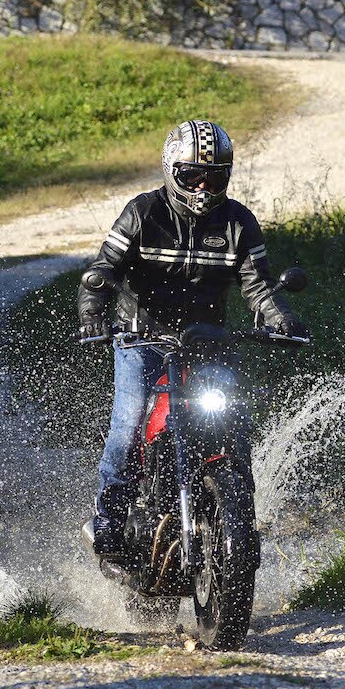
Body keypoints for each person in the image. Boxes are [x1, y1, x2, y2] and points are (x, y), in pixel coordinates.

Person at [78, 119, 307, 558]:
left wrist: (281, 319)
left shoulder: (238, 222)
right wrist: (93, 312)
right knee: (128, 425)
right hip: (141, 339)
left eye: (214, 177)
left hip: (208, 341)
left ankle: (238, 523)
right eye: (192, 176)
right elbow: (103, 271)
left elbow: (258, 285)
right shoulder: (142, 213)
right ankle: (107, 519)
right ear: (171, 170)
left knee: (232, 422)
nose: (203, 186)